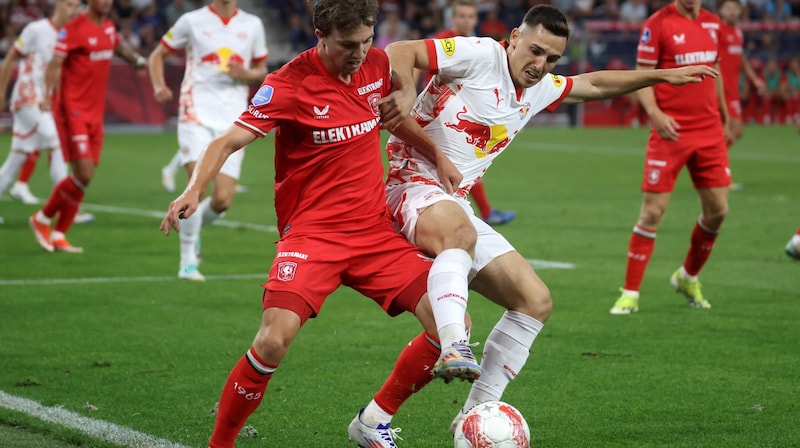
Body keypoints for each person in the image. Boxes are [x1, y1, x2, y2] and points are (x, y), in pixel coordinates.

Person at [347, 4, 719, 445]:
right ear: (513, 39)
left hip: (453, 201)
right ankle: (452, 344)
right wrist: (407, 92)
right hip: (408, 185)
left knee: (534, 300)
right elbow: (401, 51)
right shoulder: (479, 54)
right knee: (460, 236)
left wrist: (659, 76)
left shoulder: (540, 87)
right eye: (535, 51)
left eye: (552, 59)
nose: (540, 65)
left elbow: (596, 82)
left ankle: (464, 415)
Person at [159, 1, 467, 447]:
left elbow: (394, 121)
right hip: (313, 238)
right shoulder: (288, 85)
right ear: (320, 34)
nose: (360, 53)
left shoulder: (378, 65)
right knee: (271, 341)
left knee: (452, 323)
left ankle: (372, 420)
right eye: (348, 44)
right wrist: (192, 191)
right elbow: (226, 141)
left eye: (366, 40)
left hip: (374, 234)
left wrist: (437, 155)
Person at [609, 0, 732, 314]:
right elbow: (643, 75)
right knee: (652, 212)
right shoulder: (657, 24)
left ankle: (687, 276)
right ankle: (630, 293)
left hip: (709, 131)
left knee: (718, 211)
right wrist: (655, 114)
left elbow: (714, 72)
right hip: (670, 130)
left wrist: (724, 113)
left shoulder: (713, 24)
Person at [149, 0, 269, 281]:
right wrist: (158, 85)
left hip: (233, 118)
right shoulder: (192, 21)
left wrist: (247, 74)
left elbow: (262, 68)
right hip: (195, 112)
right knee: (197, 186)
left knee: (223, 200)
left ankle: (196, 227)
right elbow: (157, 55)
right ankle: (188, 261)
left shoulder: (252, 24)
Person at [28, 0, 147, 253]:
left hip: (95, 113)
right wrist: (47, 95)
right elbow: (55, 63)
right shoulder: (73, 28)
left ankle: (58, 233)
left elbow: (117, 46)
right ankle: (42, 218)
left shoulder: (108, 27)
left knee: (86, 176)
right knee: (82, 171)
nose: (106, 2)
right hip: (74, 110)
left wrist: (137, 61)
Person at [428, 0, 517, 226]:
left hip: (470, 112)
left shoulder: (482, 45)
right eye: (462, 16)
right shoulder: (441, 41)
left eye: (470, 16)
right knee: (457, 164)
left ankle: (475, 212)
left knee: (465, 163)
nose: (466, 20)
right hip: (442, 113)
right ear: (453, 18)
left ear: (476, 19)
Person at [0, 0, 80, 209]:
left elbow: (57, 73)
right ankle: (65, 206)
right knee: (54, 142)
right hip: (26, 98)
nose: (73, 10)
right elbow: (10, 58)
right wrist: (0, 92)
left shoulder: (67, 36)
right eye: (70, 5)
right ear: (58, 5)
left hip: (41, 100)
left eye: (77, 6)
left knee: (17, 157)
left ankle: (60, 204)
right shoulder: (36, 29)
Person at [717, 0, 766, 190]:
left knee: (731, 132)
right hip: (721, 88)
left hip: (733, 89)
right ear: (720, 10)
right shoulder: (717, 30)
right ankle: (720, 176)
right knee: (733, 130)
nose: (732, 11)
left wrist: (753, 79)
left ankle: (711, 166)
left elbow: (741, 59)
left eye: (735, 8)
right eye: (728, 8)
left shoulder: (737, 33)